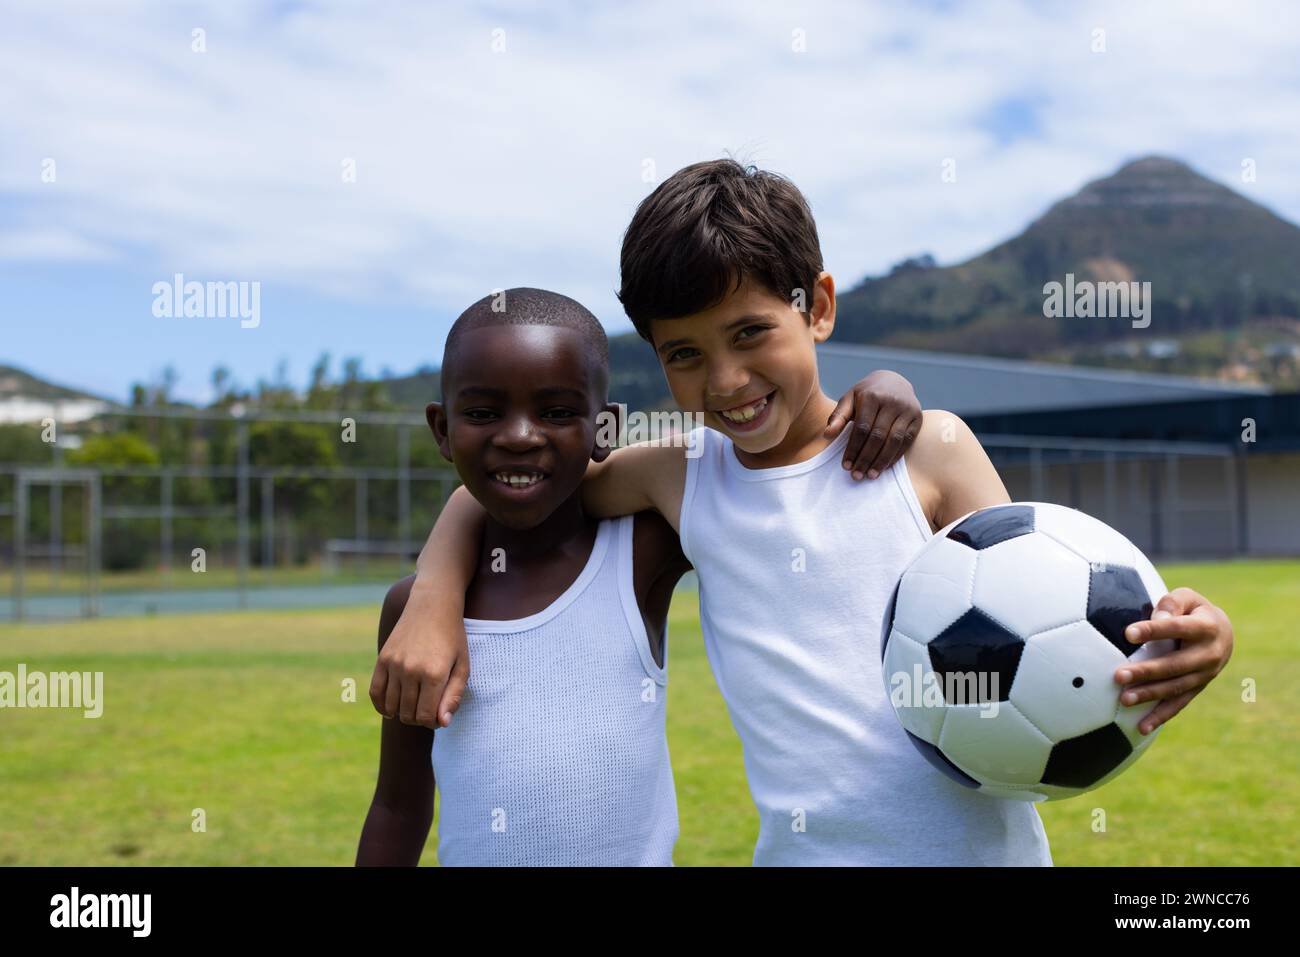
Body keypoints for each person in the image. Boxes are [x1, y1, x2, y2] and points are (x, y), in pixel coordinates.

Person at [374, 160, 1235, 865]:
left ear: (817, 306)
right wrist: (434, 595)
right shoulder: (679, 477)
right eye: (685, 353)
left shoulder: (928, 451)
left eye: (751, 333)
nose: (725, 381)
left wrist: (1192, 634)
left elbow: (1046, 609)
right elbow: (518, 481)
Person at [357, 285, 922, 865]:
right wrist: (432, 590)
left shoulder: (645, 549)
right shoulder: (414, 614)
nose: (519, 436)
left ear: (606, 430)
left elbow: (782, 485)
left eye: (555, 412)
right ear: (441, 429)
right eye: (482, 413)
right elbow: (399, 807)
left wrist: (889, 387)